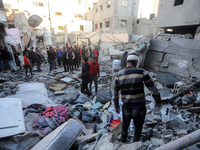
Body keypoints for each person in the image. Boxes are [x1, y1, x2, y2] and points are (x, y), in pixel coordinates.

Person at [113, 54, 162, 143]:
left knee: (125, 125)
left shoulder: (119, 74)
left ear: (127, 62)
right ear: (136, 62)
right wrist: (158, 101)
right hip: (139, 107)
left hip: (127, 106)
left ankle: (122, 140)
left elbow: (115, 93)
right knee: (138, 126)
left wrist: (116, 106)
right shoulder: (142, 72)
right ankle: (135, 143)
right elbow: (153, 89)